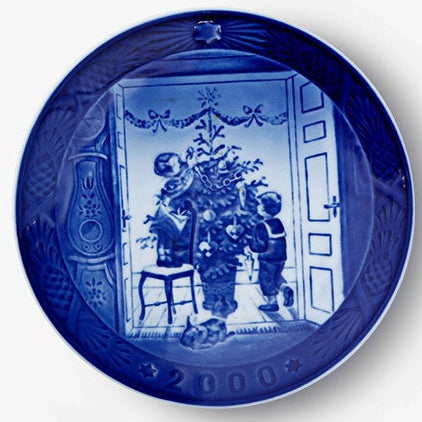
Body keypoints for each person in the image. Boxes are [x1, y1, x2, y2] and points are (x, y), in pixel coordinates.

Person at [249, 191, 293, 311]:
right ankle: (286, 288)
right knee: (277, 276)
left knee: (266, 279)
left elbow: (260, 246)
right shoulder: (278, 222)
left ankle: (272, 302)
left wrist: (251, 245)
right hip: (281, 258)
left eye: (258, 205)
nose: (257, 207)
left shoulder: (261, 226)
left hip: (267, 259)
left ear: (263, 209)